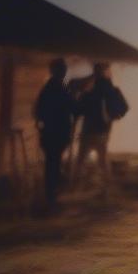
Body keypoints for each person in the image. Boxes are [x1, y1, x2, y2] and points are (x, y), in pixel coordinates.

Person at [72, 61, 129, 193]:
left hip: (90, 130)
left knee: (82, 160)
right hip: (102, 130)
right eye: (108, 70)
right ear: (105, 72)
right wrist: (111, 117)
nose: (111, 73)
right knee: (101, 160)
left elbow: (78, 110)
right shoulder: (111, 90)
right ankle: (105, 186)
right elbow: (123, 108)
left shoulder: (91, 91)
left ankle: (77, 187)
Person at [33, 57, 77, 209]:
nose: (63, 72)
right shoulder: (62, 89)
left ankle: (52, 194)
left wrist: (42, 124)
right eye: (62, 69)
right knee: (54, 163)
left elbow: (38, 111)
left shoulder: (48, 89)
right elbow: (73, 107)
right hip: (58, 132)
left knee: (52, 163)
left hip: (50, 132)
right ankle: (52, 195)